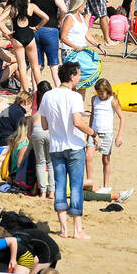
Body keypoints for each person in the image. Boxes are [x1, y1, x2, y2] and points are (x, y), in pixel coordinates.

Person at [37, 60, 99, 240]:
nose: (79, 78)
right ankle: (77, 229)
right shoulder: (75, 96)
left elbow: (45, 124)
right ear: (72, 76)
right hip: (73, 145)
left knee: (60, 186)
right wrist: (93, 133)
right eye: (78, 75)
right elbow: (77, 122)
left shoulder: (48, 95)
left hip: (56, 146)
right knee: (76, 187)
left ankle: (63, 229)